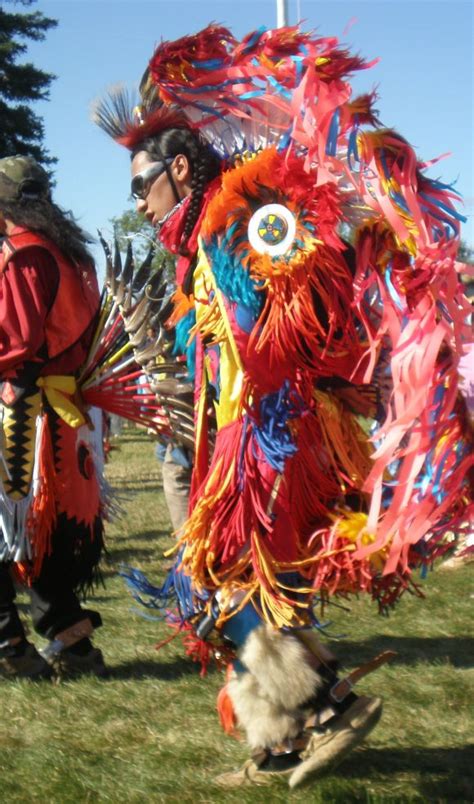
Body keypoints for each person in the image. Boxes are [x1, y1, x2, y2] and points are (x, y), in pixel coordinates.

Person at [95, 24, 473, 787]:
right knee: (240, 582)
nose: (135, 198)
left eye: (141, 183)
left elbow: (276, 337)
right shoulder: (202, 234)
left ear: (177, 168)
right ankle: (274, 743)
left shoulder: (237, 221)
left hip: (269, 431)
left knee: (230, 580)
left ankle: (323, 705)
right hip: (240, 430)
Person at [0, 156, 107, 679]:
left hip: (24, 414)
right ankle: (73, 642)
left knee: (14, 530)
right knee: (42, 534)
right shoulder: (70, 255)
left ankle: (10, 647)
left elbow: (15, 342)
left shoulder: (23, 255)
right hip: (63, 413)